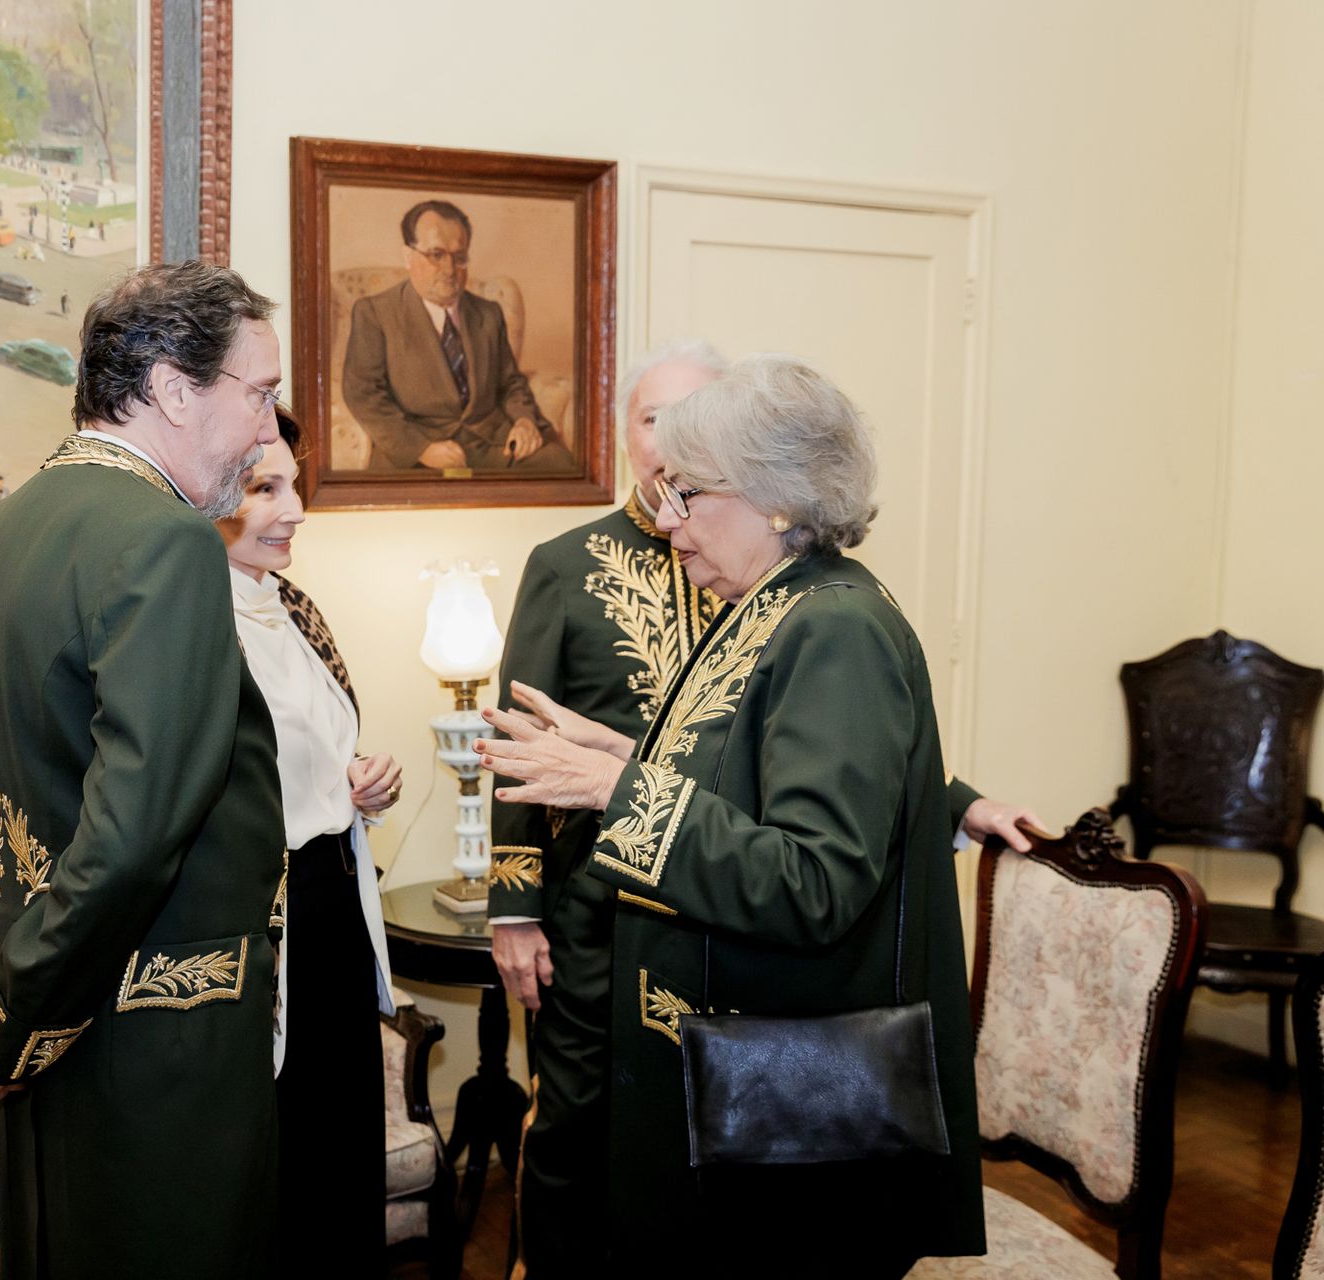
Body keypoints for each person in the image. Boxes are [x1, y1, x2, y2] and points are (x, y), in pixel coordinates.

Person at [476, 354, 1001, 1276]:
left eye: (690, 496)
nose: (669, 524)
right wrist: (623, 758)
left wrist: (616, 793)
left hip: (789, 1123)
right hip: (725, 1089)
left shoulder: (834, 626)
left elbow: (815, 881)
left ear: (778, 498)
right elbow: (738, 794)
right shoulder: (767, 606)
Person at [0, 260, 287, 1278]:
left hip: (48, 1027)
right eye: (262, 394)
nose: (270, 433)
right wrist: (11, 1019)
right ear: (174, 389)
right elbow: (138, 827)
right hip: (157, 1045)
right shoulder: (168, 543)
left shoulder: (1, 533)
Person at [214, 406, 399, 1275]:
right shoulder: (193, 623)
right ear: (211, 492)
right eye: (264, 489)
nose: (293, 510)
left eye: (294, 486)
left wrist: (364, 781)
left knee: (341, 1168)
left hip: (335, 920)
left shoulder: (294, 607)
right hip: (262, 930)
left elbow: (310, 762)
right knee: (278, 1182)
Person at [342, 199, 573, 472]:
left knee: (560, 465)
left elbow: (510, 383)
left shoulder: (489, 313)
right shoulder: (374, 313)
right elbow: (363, 394)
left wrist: (524, 421)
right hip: (416, 450)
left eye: (459, 257)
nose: (450, 270)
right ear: (408, 256)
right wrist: (422, 449)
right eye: (436, 255)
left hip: (492, 444)